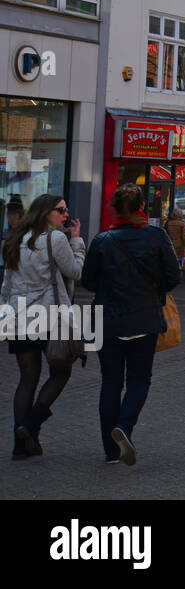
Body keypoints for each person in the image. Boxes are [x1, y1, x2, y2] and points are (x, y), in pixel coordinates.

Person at [81, 183, 180, 465]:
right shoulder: (156, 236)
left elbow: (88, 281)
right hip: (143, 318)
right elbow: (173, 277)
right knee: (139, 379)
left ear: (115, 207)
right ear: (142, 208)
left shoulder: (102, 240)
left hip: (107, 322)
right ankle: (124, 427)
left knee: (110, 381)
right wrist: (154, 287)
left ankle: (110, 451)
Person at [2, 193, 85, 459]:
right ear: (44, 213)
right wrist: (78, 242)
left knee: (27, 379)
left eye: (65, 210)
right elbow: (75, 271)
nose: (65, 215)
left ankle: (20, 446)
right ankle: (31, 424)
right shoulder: (57, 238)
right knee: (61, 372)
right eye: (60, 210)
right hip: (47, 316)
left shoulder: (15, 239)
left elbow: (7, 284)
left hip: (18, 316)